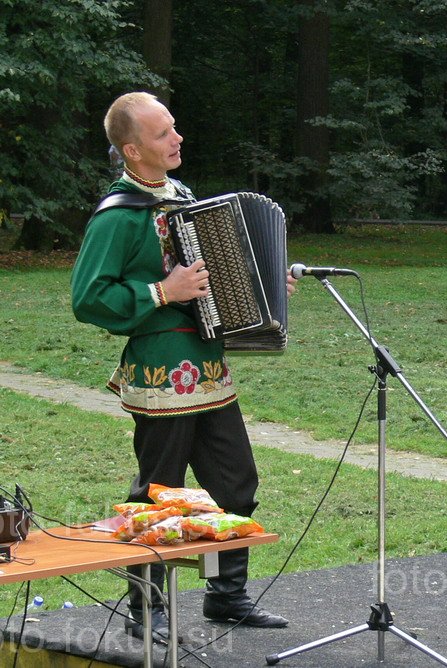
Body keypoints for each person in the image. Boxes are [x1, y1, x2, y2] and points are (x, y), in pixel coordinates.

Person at [71, 92, 291, 643]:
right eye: (163, 133)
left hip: (209, 368)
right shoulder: (117, 215)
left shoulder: (183, 198)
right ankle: (146, 609)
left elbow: (217, 270)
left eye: (175, 128)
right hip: (159, 373)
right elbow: (87, 298)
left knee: (235, 483)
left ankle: (225, 595)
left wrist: (265, 286)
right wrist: (160, 293)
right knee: (157, 494)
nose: (177, 139)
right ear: (132, 149)